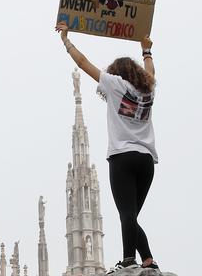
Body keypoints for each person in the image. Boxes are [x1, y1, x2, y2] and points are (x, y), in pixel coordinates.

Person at [55, 21, 159, 273]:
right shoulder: (148, 91)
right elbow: (151, 73)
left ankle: (128, 260)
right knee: (131, 216)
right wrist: (146, 50)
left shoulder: (115, 84)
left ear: (118, 73)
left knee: (126, 214)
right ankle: (147, 259)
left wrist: (66, 41)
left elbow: (83, 63)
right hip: (146, 161)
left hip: (122, 157)